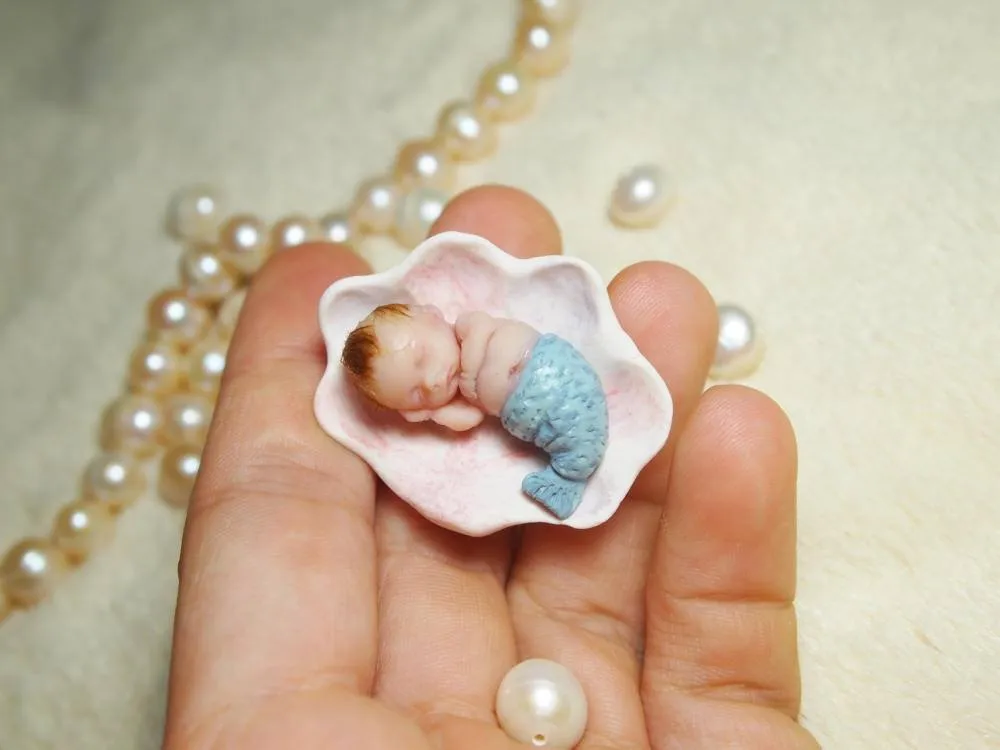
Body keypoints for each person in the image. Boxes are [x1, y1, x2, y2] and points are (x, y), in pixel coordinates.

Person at [160, 185, 820, 749]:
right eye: (411, 393)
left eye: (422, 361)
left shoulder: (475, 324)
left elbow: (481, 363)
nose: (430, 382)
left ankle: (572, 461)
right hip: (535, 409)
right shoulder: (452, 404)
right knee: (566, 442)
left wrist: (461, 375)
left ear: (430, 315)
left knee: (597, 407)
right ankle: (567, 469)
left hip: (552, 371)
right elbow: (465, 419)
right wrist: (431, 412)